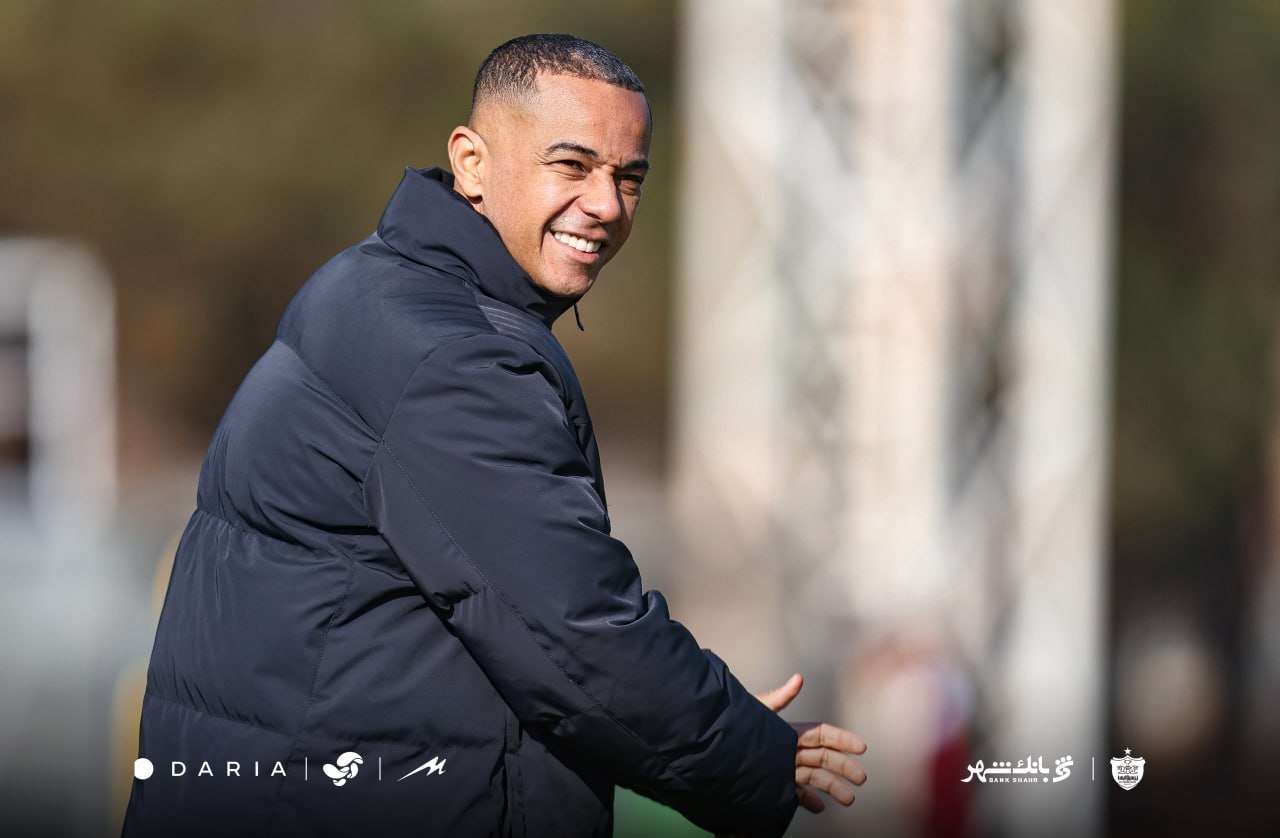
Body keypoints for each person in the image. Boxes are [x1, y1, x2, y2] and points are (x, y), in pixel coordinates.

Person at [122, 34, 866, 838]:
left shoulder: (373, 282)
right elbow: (578, 638)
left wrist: (691, 714)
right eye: (572, 166)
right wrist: (750, 753)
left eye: (629, 178)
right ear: (471, 162)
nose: (607, 204)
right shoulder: (455, 358)